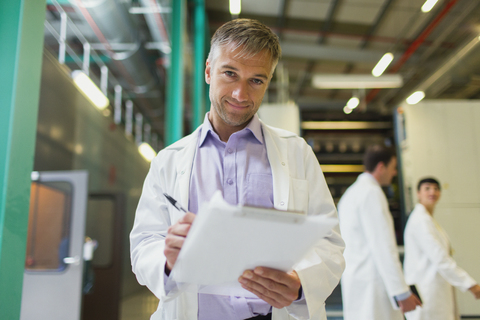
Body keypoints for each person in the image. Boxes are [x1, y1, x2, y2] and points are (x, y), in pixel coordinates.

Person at [130, 19, 345, 320]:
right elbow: (144, 244)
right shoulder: (169, 161)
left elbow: (329, 241)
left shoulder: (296, 153)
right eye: (230, 74)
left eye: (256, 80)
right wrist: (167, 260)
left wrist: (299, 286)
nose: (241, 95)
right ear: (208, 71)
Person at [337, 145, 421, 320]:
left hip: (356, 280)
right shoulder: (372, 193)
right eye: (393, 168)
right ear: (381, 167)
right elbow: (383, 247)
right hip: (374, 283)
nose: (395, 173)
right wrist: (401, 292)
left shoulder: (350, 194)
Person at [403, 177, 480, 320]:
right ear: (418, 193)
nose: (432, 192)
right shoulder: (420, 220)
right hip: (426, 289)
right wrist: (470, 285)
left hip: (434, 288)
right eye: (427, 188)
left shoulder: (428, 219)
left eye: (436, 188)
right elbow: (440, 259)